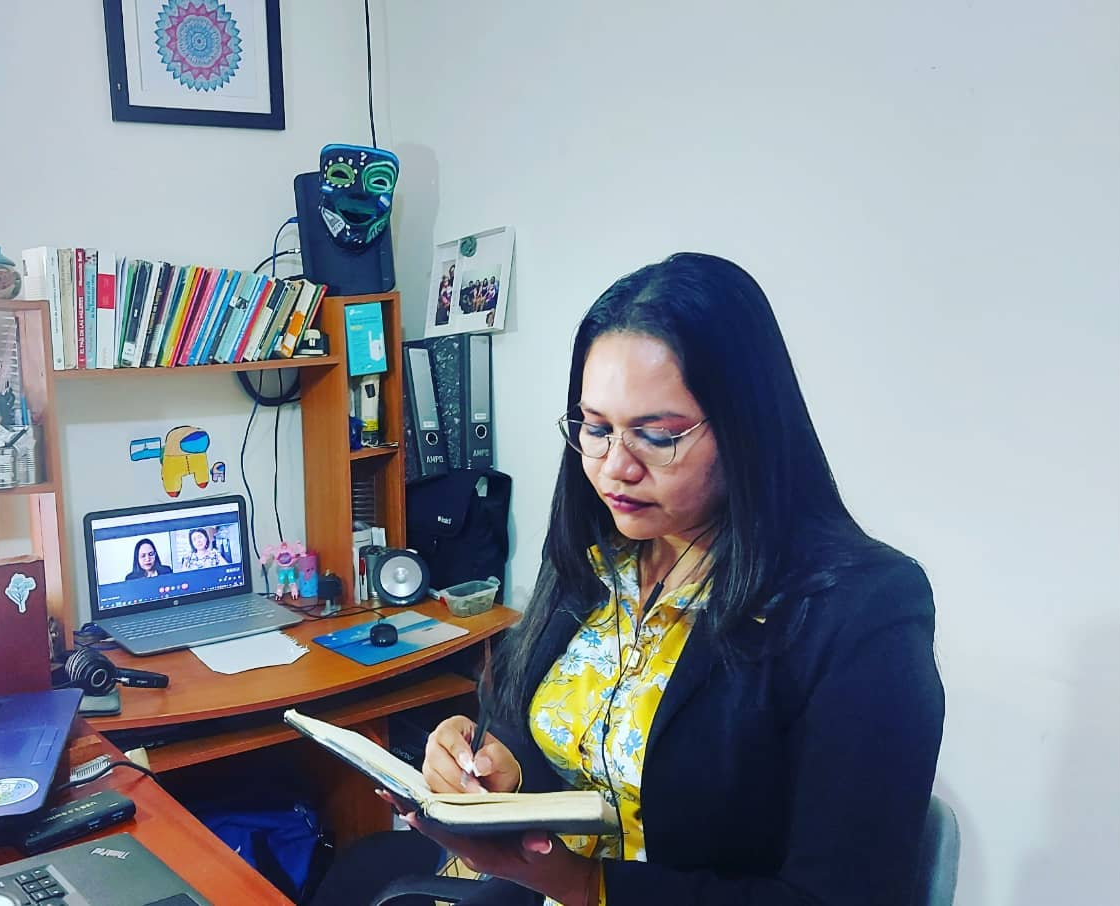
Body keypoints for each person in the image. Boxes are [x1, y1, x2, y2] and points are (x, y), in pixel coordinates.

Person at [384, 253, 945, 905]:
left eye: (655, 436)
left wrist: (582, 882)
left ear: (746, 429)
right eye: (596, 428)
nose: (614, 467)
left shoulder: (860, 612)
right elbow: (526, 715)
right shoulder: (599, 553)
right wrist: (490, 760)